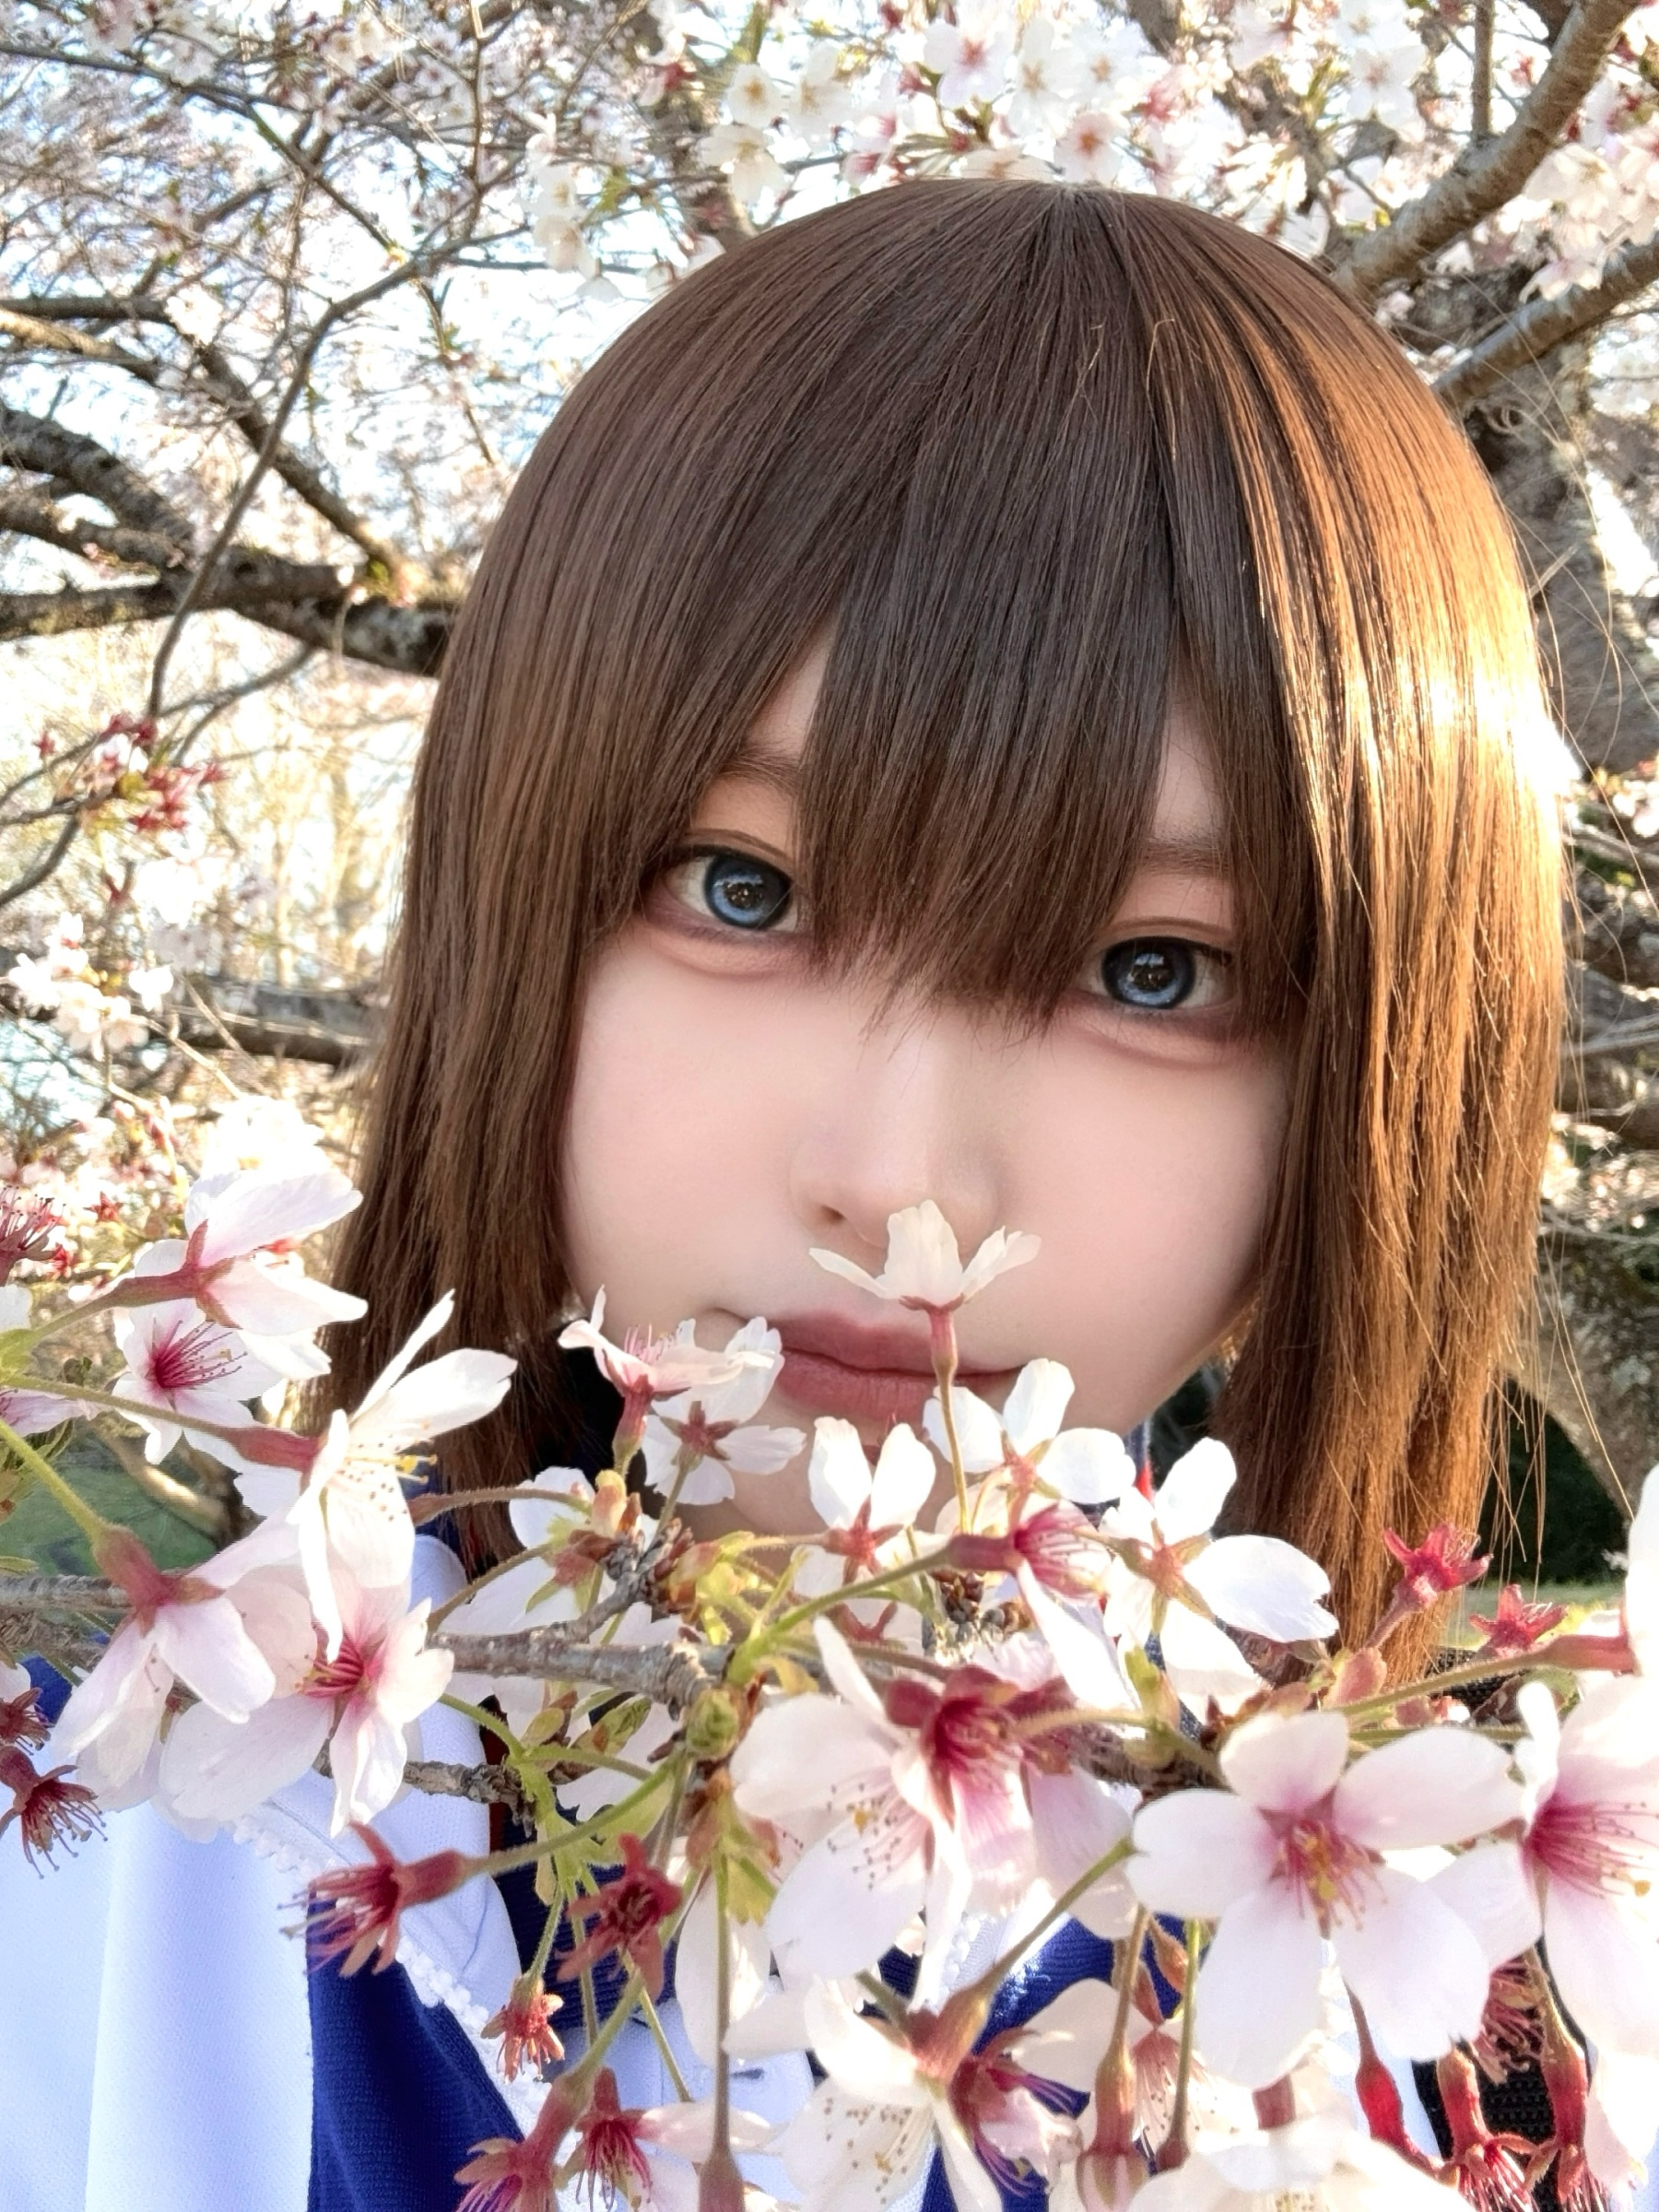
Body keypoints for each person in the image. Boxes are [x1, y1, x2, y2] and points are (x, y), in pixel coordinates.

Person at [0, 181, 1591, 2210]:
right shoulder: (111, 1786)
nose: (896, 1180)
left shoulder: (1496, 2040)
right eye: (740, 889)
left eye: (1153, 971)